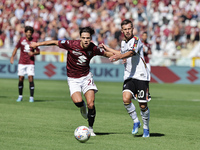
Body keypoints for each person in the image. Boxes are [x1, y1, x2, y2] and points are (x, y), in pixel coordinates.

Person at [30, 27, 113, 136]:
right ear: (80, 38)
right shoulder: (71, 44)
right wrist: (38, 44)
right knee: (78, 102)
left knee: (91, 104)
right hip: (73, 79)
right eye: (83, 38)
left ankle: (91, 129)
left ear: (91, 38)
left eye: (88, 38)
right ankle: (82, 107)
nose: (86, 40)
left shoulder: (93, 48)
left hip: (86, 77)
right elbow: (55, 42)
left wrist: (121, 57)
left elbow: (107, 54)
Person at [101, 19, 151, 137]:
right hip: (129, 76)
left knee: (143, 105)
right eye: (125, 29)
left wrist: (119, 56)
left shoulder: (137, 41)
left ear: (132, 29)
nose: (128, 31)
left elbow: (131, 53)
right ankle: (136, 121)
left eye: (129, 28)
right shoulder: (123, 43)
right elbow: (121, 52)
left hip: (141, 76)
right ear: (122, 31)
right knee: (125, 99)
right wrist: (107, 48)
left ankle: (146, 127)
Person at [10, 26, 40, 103]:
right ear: (25, 33)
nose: (29, 34)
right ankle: (20, 96)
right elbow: (16, 48)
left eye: (30, 32)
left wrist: (33, 53)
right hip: (22, 62)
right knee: (20, 79)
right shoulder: (21, 40)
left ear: (32, 33)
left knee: (30, 78)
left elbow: (38, 52)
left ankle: (31, 97)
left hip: (30, 62)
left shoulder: (34, 41)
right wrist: (12, 57)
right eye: (27, 32)